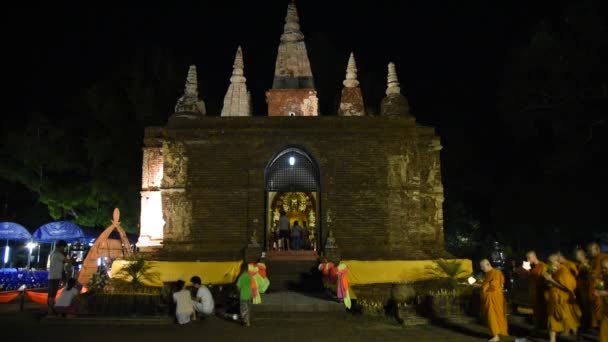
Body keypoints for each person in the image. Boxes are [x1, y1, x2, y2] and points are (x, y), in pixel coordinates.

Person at [543, 253, 581, 342]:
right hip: (554, 301)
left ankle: (576, 336)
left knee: (570, 320)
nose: (549, 265)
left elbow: (567, 288)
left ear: (557, 262)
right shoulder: (554, 270)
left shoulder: (563, 271)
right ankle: (552, 339)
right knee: (552, 319)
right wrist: (547, 278)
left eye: (551, 263)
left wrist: (551, 280)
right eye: (548, 263)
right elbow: (549, 284)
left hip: (564, 301)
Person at [478, 259, 508, 342]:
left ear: (488, 264)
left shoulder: (496, 273)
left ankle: (495, 336)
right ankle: (495, 334)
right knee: (491, 317)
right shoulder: (489, 274)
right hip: (490, 298)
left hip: (493, 298)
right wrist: (480, 285)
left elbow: (494, 286)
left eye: (482, 267)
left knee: (492, 317)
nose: (481, 268)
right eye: (481, 267)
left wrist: (484, 289)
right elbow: (487, 285)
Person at [526, 250, 548, 329]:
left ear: (534, 256)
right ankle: (538, 327)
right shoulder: (532, 267)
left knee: (543, 312)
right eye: (527, 258)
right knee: (536, 313)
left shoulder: (543, 265)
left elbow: (544, 280)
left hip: (541, 293)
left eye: (529, 258)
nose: (528, 260)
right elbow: (525, 275)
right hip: (534, 293)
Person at [588, 242, 608, 329]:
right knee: (594, 307)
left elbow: (605, 273)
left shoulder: (604, 257)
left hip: (602, 285)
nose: (590, 253)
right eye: (589, 251)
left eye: (591, 250)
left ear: (598, 249)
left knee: (601, 307)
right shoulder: (592, 260)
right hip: (593, 286)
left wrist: (596, 276)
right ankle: (597, 325)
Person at [48, 240, 69, 315]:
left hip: (51, 275)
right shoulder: (58, 254)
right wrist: (72, 259)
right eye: (63, 247)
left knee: (51, 293)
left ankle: (51, 309)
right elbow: (67, 261)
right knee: (52, 294)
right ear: (61, 246)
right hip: (55, 276)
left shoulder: (52, 253)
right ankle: (50, 310)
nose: (64, 249)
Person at [574, 247, 592, 330]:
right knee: (581, 307)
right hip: (579, 289)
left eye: (577, 254)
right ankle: (584, 324)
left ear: (582, 255)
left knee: (587, 307)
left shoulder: (587, 264)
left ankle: (588, 325)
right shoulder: (578, 265)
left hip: (586, 288)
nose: (575, 256)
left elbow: (590, 276)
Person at [591, 258, 608, 342]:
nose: (604, 270)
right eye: (603, 268)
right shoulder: (605, 275)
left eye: (606, 268)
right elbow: (601, 277)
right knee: (603, 331)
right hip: (606, 309)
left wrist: (603, 293)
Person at [236, 262, 252, 327]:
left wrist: (239, 292)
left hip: (243, 295)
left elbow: (238, 286)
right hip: (249, 295)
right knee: (248, 308)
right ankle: (248, 321)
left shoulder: (241, 277)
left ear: (242, 269)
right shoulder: (249, 276)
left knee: (243, 309)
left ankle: (246, 321)